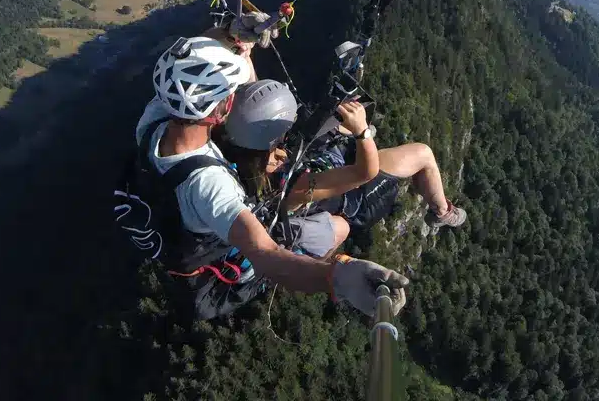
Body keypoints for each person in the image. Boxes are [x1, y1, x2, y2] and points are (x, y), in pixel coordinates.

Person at [135, 35, 409, 320]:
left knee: (334, 226)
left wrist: (230, 32)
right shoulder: (210, 187)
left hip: (177, 219)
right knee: (339, 228)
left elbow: (184, 74)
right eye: (233, 94)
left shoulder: (154, 121)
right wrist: (336, 276)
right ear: (222, 110)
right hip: (216, 272)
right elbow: (266, 255)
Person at [223, 79, 467, 235]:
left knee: (344, 125)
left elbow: (252, 105)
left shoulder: (245, 148)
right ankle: (442, 212)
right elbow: (364, 173)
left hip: (329, 160)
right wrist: (361, 132)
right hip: (358, 196)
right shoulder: (294, 184)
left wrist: (244, 44)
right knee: (423, 154)